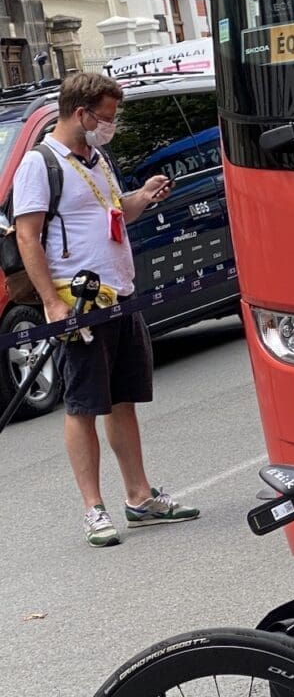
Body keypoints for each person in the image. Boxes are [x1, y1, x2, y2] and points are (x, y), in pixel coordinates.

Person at [12, 73, 199, 548]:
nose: (110, 126)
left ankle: (139, 497)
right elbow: (27, 237)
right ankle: (93, 509)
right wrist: (52, 303)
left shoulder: (99, 159)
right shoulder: (40, 165)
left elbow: (116, 212)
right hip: (79, 304)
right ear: (82, 113)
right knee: (83, 405)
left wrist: (143, 197)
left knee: (123, 399)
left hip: (120, 294)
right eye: (107, 118)